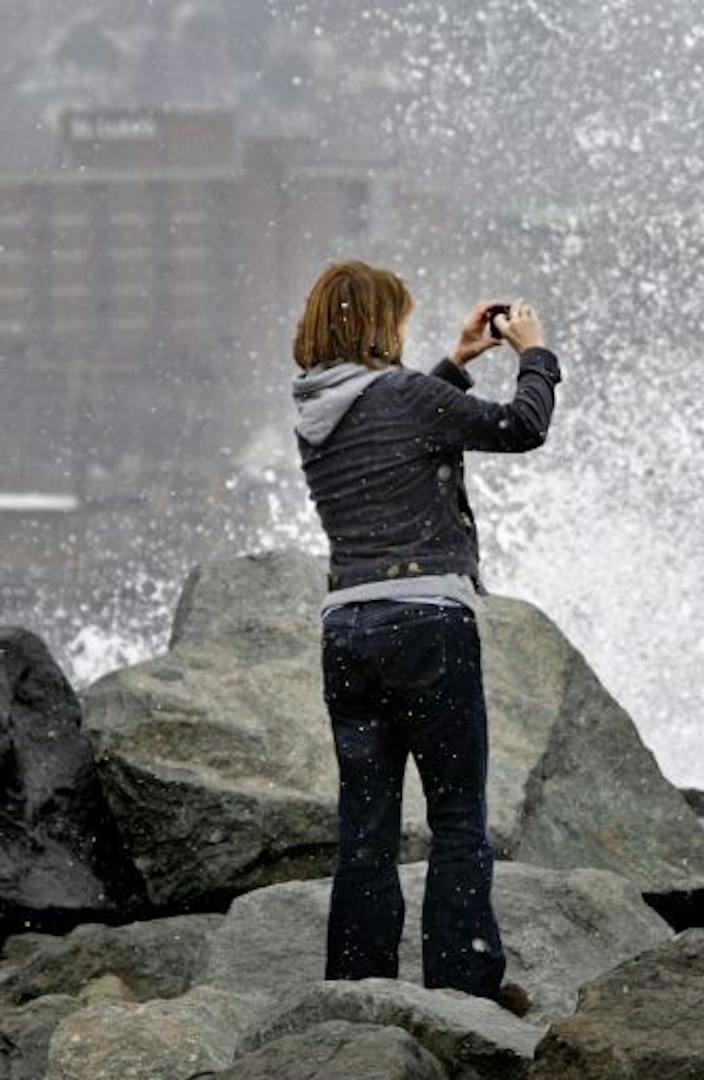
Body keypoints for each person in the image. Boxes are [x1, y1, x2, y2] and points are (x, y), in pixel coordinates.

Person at [289, 260, 560, 1014]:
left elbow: (397, 427)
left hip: (347, 628)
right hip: (427, 627)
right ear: (381, 327)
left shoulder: (313, 409)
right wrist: (535, 355)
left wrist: (458, 361)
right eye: (400, 321)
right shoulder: (404, 396)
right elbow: (522, 428)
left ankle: (356, 990)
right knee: (457, 819)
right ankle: (464, 991)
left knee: (367, 826)